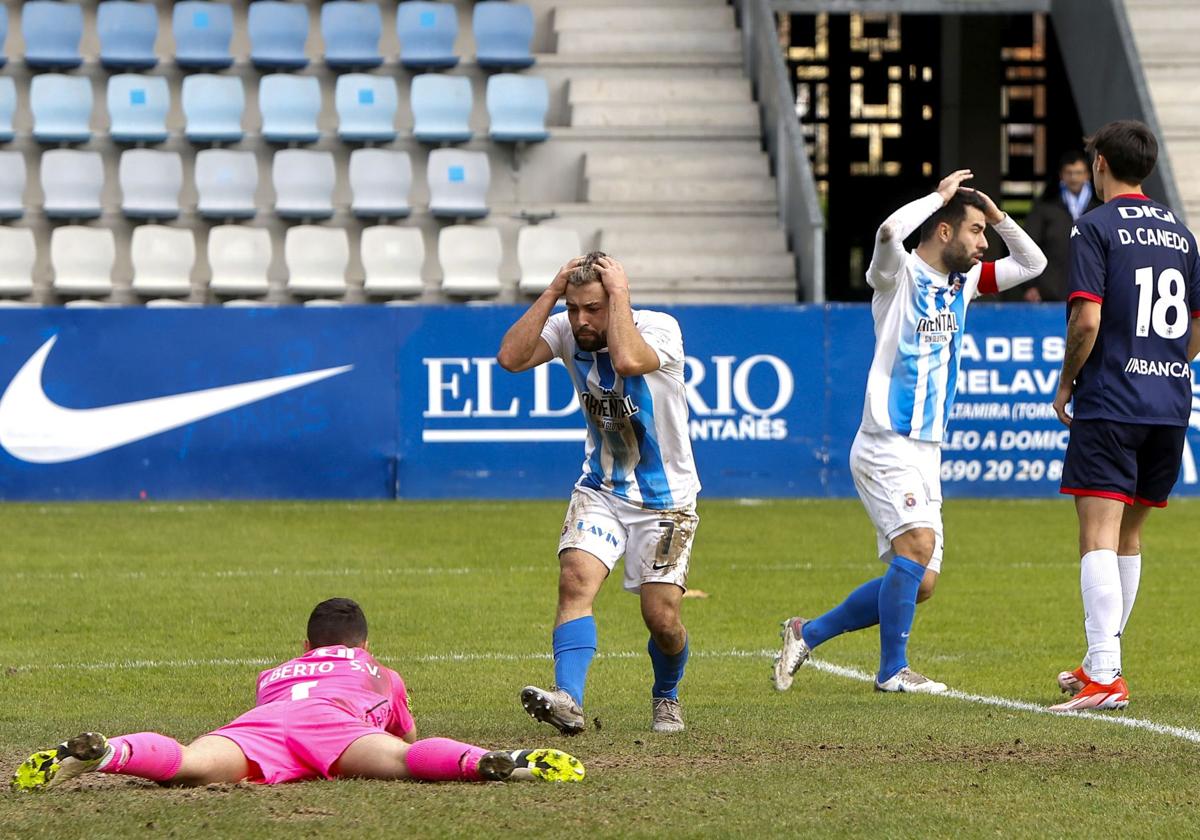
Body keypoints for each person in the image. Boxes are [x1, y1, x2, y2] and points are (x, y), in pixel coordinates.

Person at [773, 171, 1048, 694]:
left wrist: (997, 215)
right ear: (943, 231)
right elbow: (885, 233)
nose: (983, 243)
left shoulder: (964, 282)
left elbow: (1034, 263)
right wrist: (936, 198)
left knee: (920, 582)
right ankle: (892, 671)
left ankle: (806, 632)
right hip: (886, 439)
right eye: (974, 232)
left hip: (927, 447)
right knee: (917, 544)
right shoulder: (896, 275)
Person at [12, 598, 584, 790]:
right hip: (334, 726)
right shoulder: (381, 673)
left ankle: (108, 753)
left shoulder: (273, 673)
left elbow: (276, 711)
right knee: (410, 761)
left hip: (262, 725)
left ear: (304, 644)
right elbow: (405, 737)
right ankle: (496, 762)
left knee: (190, 761)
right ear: (364, 643)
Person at [497, 252, 700, 735]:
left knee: (662, 618)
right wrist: (551, 293)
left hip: (667, 501)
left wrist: (622, 295)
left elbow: (629, 360)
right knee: (575, 581)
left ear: (615, 300)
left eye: (593, 308)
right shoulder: (569, 329)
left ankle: (666, 695)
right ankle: (568, 699)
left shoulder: (658, 329)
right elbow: (510, 358)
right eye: (573, 308)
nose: (581, 320)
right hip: (602, 488)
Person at [1050, 120, 1200, 711]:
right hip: (1169, 402)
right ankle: (1097, 661)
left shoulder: (1094, 227)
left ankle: (1108, 674)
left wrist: (1066, 383)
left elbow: (1086, 320)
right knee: (1130, 536)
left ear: (1102, 165)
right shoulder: (1183, 235)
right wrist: (1163, 361)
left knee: (1097, 534)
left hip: (1112, 400)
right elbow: (1196, 327)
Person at [1022, 150, 1103, 302]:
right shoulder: (1045, 207)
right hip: (1049, 292)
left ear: (1088, 175)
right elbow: (1026, 244)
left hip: (1092, 291)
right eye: (1069, 173)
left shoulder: (1100, 207)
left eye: (1079, 173)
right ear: (1061, 175)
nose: (1074, 178)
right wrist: (1029, 286)